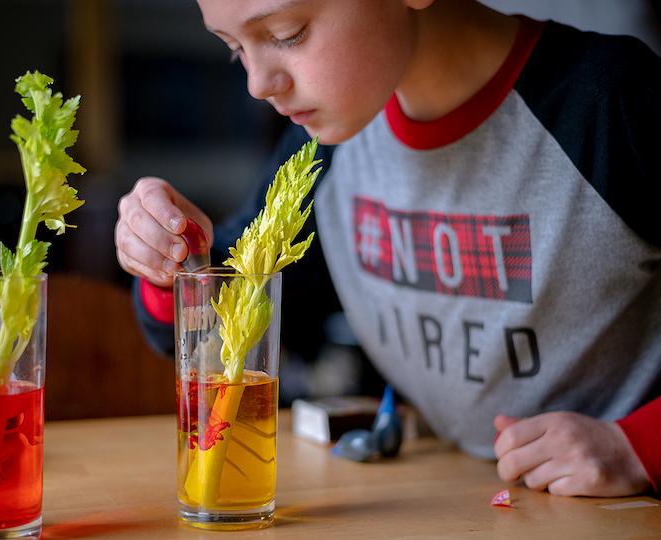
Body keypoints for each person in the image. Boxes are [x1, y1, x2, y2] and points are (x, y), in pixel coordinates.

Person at [114, 0, 661, 497]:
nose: (257, 84)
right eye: (235, 50)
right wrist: (168, 255)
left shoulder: (612, 102)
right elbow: (215, 318)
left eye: (287, 33)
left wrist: (638, 444)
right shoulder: (326, 148)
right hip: (457, 498)